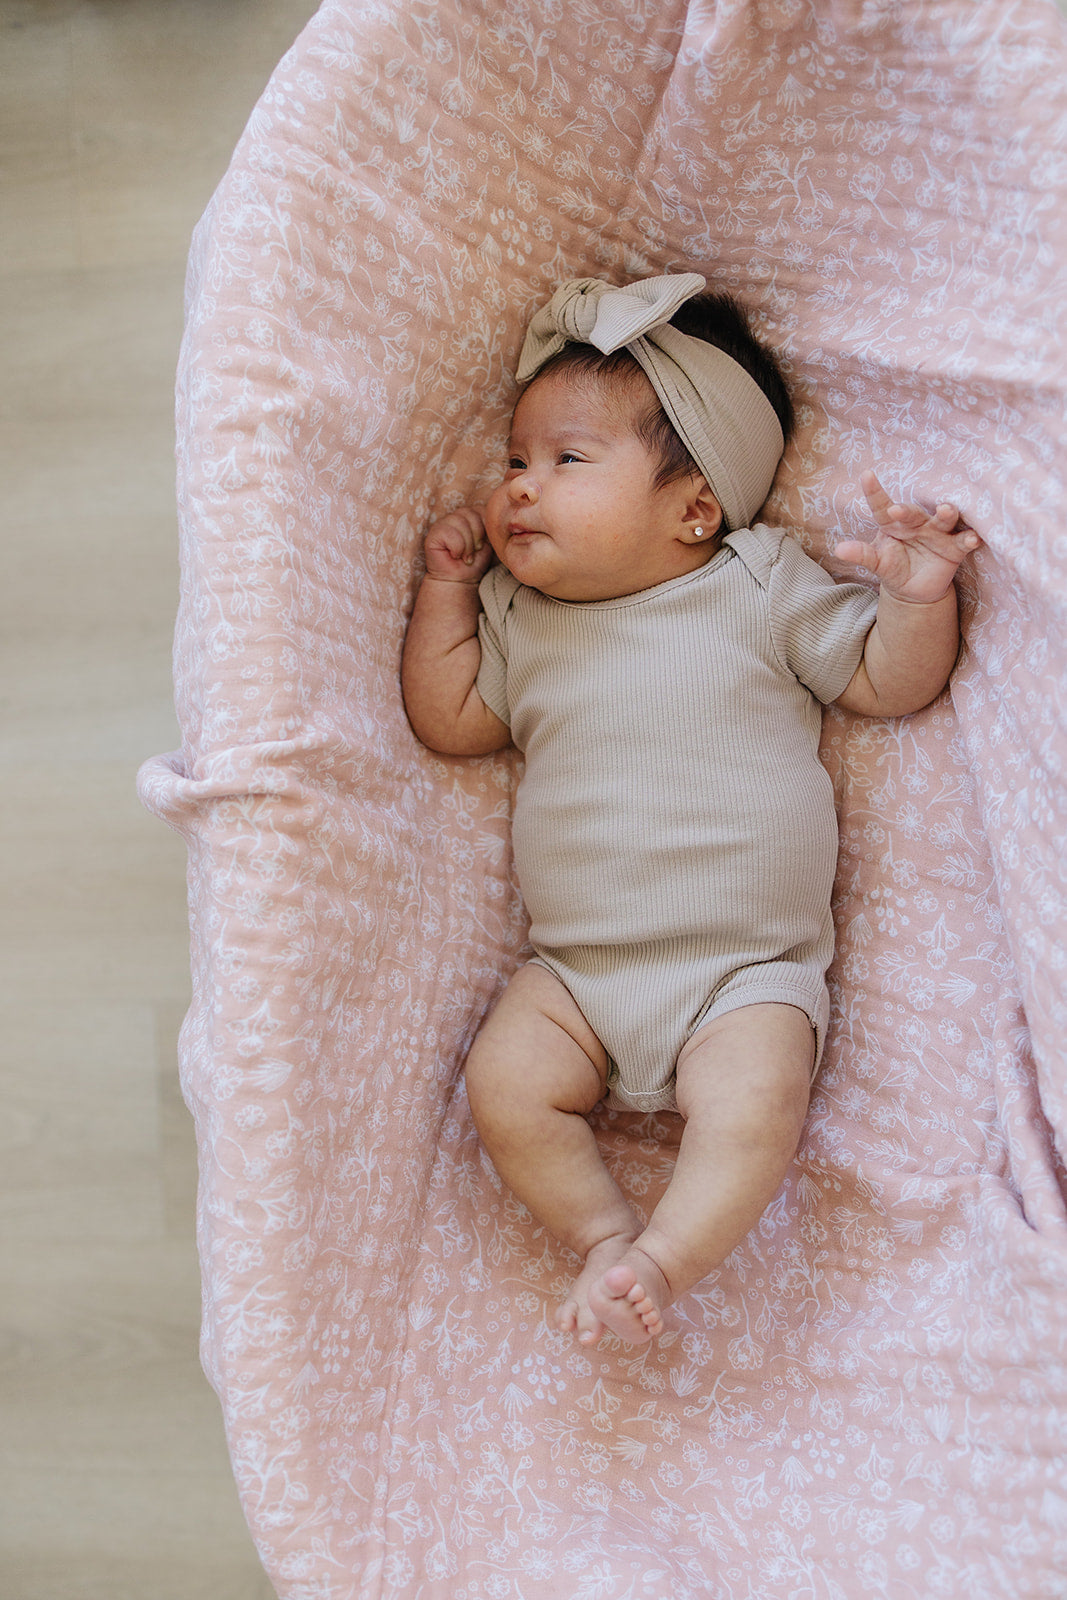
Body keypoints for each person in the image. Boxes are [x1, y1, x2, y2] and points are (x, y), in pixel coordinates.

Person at [401, 273, 979, 1347]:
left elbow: (880, 681)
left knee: (753, 1106)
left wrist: (914, 599)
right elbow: (453, 719)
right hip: (574, 973)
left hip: (742, 970)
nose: (519, 488)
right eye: (516, 461)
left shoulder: (755, 583)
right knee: (504, 1085)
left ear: (694, 510)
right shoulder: (520, 616)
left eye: (566, 460)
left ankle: (665, 1259)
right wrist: (445, 597)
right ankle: (602, 1234)